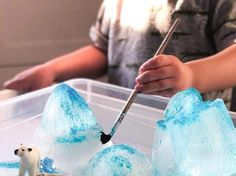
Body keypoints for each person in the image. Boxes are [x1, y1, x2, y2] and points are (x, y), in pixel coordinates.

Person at [4, 0, 236, 108]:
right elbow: (103, 51)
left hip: (194, 139)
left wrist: (190, 76)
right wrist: (51, 70)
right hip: (129, 126)